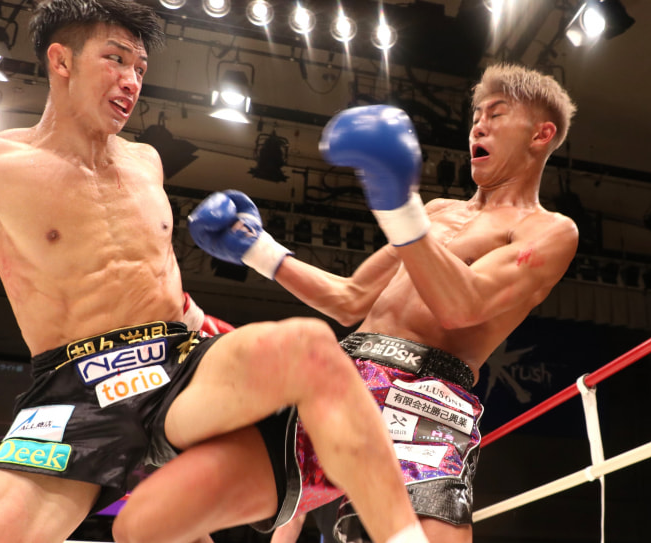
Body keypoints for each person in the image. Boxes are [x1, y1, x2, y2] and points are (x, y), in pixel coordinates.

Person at [0, 2, 432, 543]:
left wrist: (200, 319)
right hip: (78, 387)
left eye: (140, 68)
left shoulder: (146, 162)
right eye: (115, 59)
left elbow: (146, 274)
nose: (131, 80)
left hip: (177, 364)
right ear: (61, 61)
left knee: (308, 346)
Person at [123, 62, 580, 543]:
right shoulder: (435, 214)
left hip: (427, 396)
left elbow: (462, 305)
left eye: (497, 114)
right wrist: (257, 250)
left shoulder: (547, 231)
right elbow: (350, 299)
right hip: (343, 377)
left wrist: (397, 207)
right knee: (152, 521)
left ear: (541, 134)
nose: (478, 127)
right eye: (476, 117)